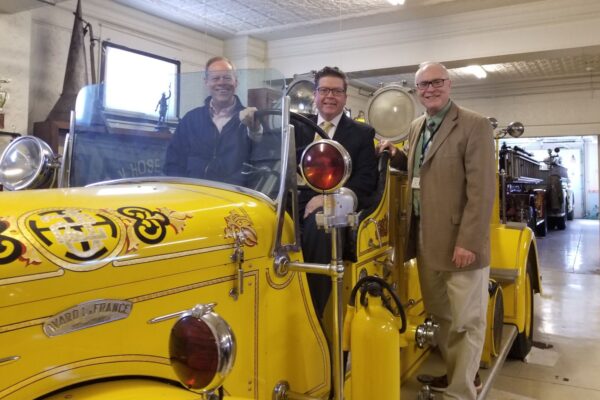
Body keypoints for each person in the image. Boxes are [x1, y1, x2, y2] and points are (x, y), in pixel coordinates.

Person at [378, 61, 495, 399]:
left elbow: (482, 190)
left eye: (436, 82)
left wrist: (469, 241)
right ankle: (460, 375)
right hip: (426, 240)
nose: (429, 89)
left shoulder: (474, 125)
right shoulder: (418, 126)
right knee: (442, 317)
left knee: (466, 322)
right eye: (423, 85)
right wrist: (397, 155)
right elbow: (423, 171)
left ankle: (462, 392)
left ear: (449, 84)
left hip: (461, 244)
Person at [295, 66, 378, 319]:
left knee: (323, 226)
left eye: (336, 91)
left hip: (335, 208)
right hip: (296, 201)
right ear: (315, 95)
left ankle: (311, 316)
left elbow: (365, 182)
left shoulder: (362, 134)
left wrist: (329, 199)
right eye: (324, 90)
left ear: (345, 96)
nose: (329, 96)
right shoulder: (296, 127)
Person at [164, 56, 259, 185]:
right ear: (206, 82)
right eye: (215, 78)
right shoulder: (191, 119)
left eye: (227, 77)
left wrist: (255, 130)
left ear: (236, 81)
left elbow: (261, 160)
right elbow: (173, 162)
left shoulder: (251, 119)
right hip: (194, 194)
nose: (221, 83)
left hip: (234, 197)